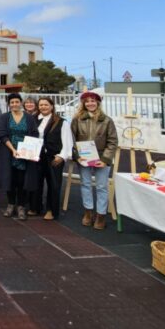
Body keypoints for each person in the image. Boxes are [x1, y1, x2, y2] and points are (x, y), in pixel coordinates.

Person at [71, 91, 118, 230]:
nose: (90, 103)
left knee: (102, 186)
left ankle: (101, 214)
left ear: (98, 103)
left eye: (93, 101)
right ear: (83, 104)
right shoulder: (77, 119)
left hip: (101, 157)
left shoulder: (107, 120)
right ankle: (88, 212)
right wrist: (77, 156)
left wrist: (105, 159)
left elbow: (113, 141)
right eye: (87, 101)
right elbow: (72, 139)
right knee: (85, 184)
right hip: (84, 157)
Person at [0, 93, 40, 220]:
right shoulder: (4, 117)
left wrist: (28, 149)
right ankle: (10, 204)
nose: (14, 104)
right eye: (12, 102)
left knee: (22, 180)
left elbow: (34, 134)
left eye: (17, 102)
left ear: (21, 103)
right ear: (9, 105)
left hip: (25, 154)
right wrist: (13, 149)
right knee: (10, 179)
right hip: (8, 152)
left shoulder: (29, 118)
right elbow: (2, 134)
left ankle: (21, 206)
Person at [33, 97, 74, 220]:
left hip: (54, 158)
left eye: (46, 105)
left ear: (52, 106)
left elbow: (68, 142)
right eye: (41, 105)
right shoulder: (34, 120)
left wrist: (62, 156)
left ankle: (51, 210)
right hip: (37, 157)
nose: (43, 107)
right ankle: (36, 207)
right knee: (36, 183)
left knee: (54, 185)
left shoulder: (62, 122)